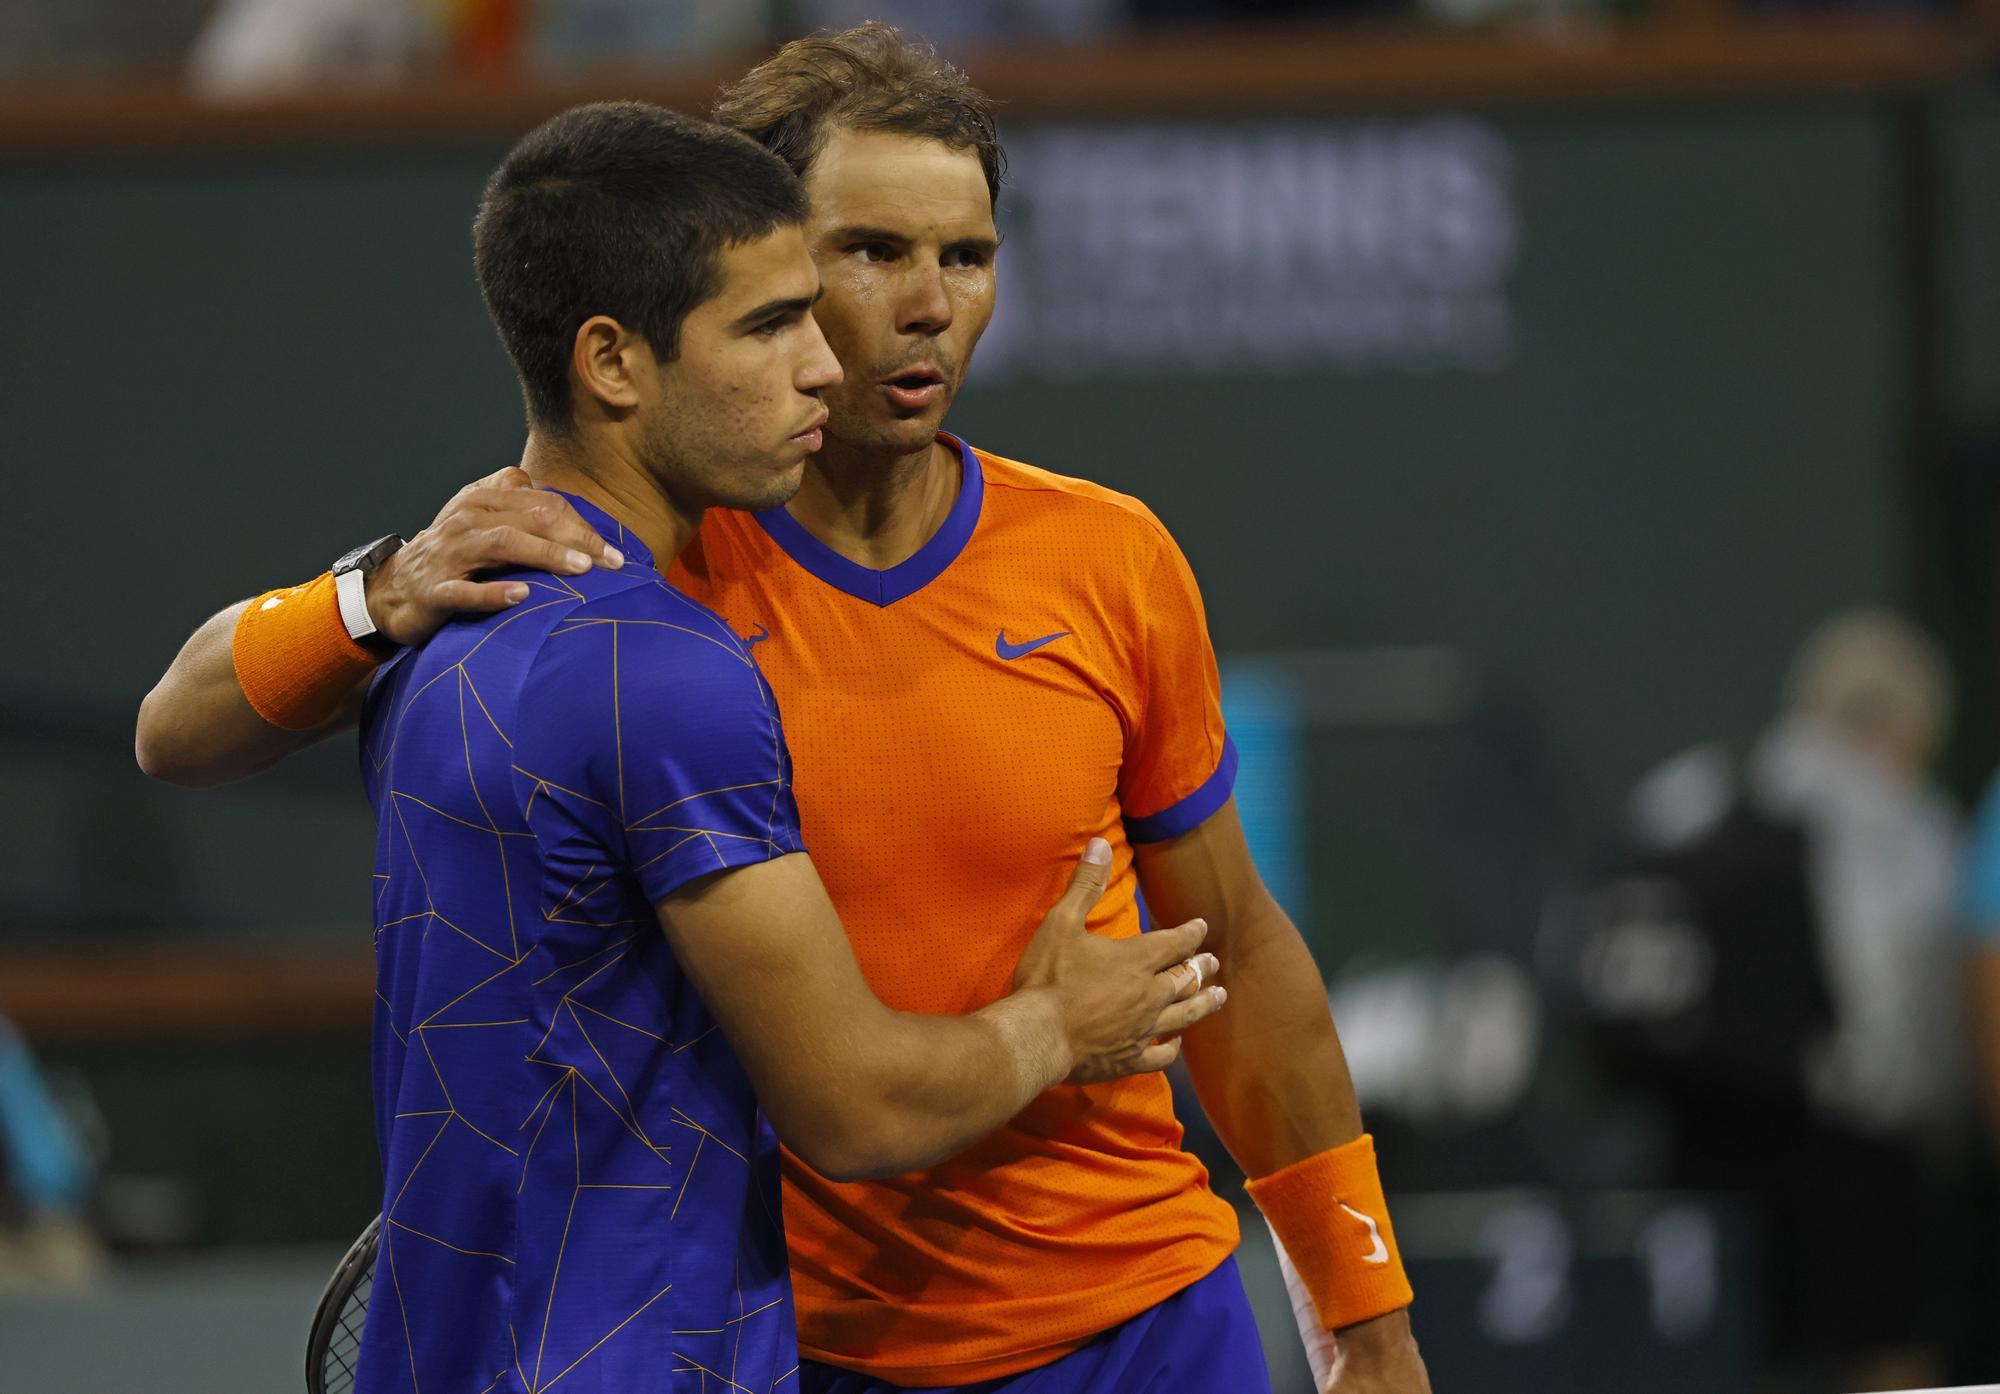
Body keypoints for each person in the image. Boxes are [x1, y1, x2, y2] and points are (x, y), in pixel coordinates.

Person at [135, 26, 1429, 1394]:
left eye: (968, 258)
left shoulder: (1114, 558)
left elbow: (1230, 949)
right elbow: (180, 723)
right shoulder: (606, 586)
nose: (926, 305)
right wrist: (383, 586)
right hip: (797, 1347)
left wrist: (1362, 1316)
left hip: (1143, 1327)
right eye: (865, 256)